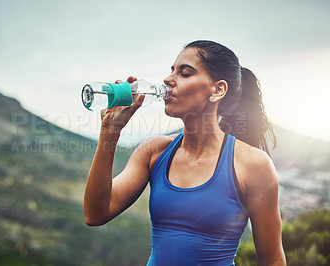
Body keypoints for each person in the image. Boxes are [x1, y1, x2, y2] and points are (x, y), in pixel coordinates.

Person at [84, 40, 286, 265]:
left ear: (217, 90)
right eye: (172, 70)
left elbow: (273, 261)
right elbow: (95, 214)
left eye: (185, 73)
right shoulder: (154, 152)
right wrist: (109, 132)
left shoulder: (253, 165)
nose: (168, 80)